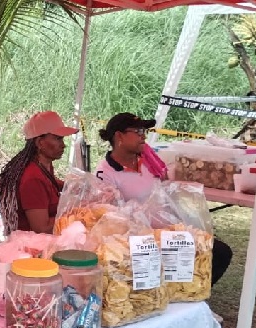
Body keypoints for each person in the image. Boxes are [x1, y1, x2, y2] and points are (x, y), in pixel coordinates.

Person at [95, 112, 232, 285]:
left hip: (170, 230)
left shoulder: (148, 160)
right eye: (137, 131)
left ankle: (191, 294)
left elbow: (165, 185)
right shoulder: (105, 173)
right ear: (119, 136)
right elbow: (110, 217)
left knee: (217, 252)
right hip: (142, 240)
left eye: (144, 131)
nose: (143, 136)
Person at [0, 111, 78, 235]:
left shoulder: (43, 165)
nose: (63, 145)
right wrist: (77, 214)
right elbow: (41, 229)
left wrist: (73, 186)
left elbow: (50, 181)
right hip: (32, 247)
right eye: (58, 138)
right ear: (40, 143)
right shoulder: (33, 179)